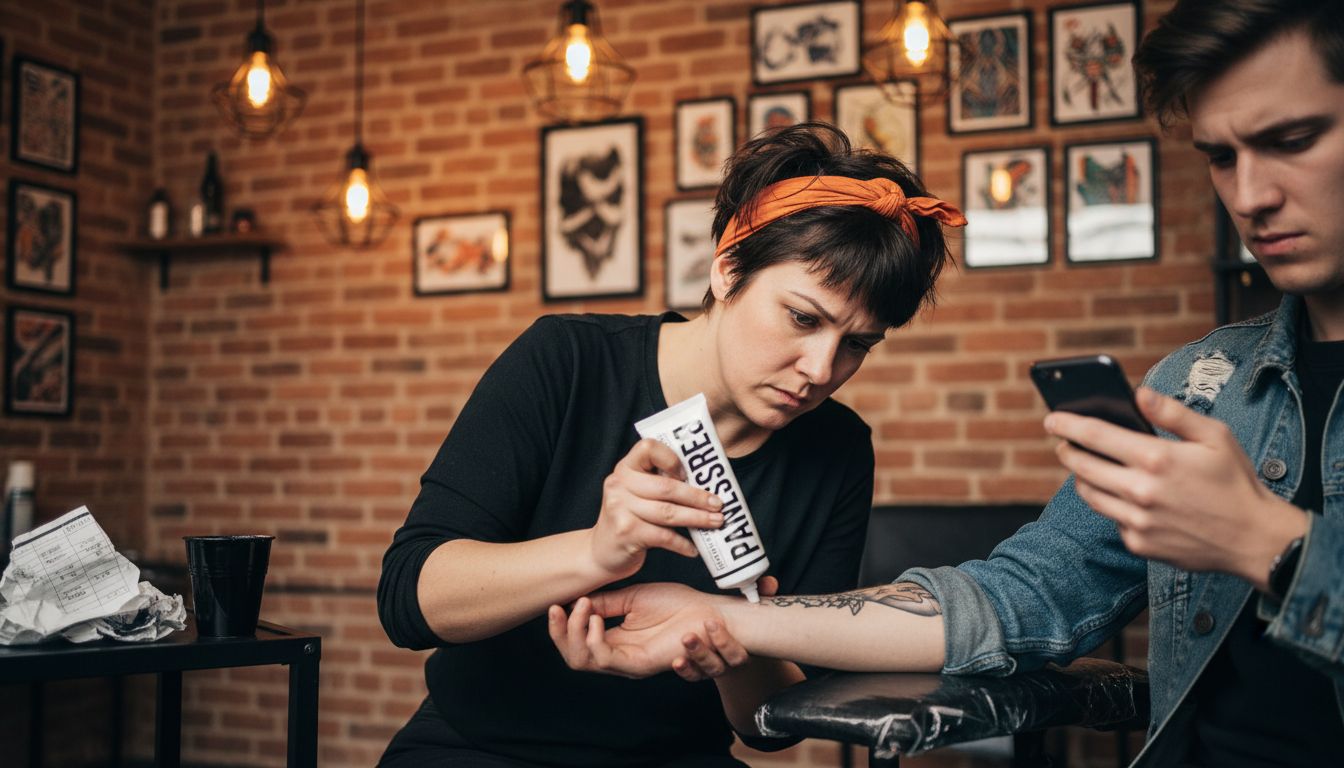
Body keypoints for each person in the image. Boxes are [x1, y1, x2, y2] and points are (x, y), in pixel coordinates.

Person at [551, 1, 1344, 764]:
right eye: (1220, 156)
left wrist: (1268, 546)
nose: (1250, 196)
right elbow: (1016, 599)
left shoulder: (834, 448)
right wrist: (721, 614)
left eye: (1295, 139)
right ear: (726, 274)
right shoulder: (1199, 386)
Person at [376, 122, 966, 767]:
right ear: (728, 270)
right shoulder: (565, 361)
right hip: (480, 748)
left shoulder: (839, 448)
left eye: (858, 343)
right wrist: (598, 553)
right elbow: (410, 603)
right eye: (803, 317)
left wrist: (730, 652)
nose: (821, 370)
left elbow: (774, 727)